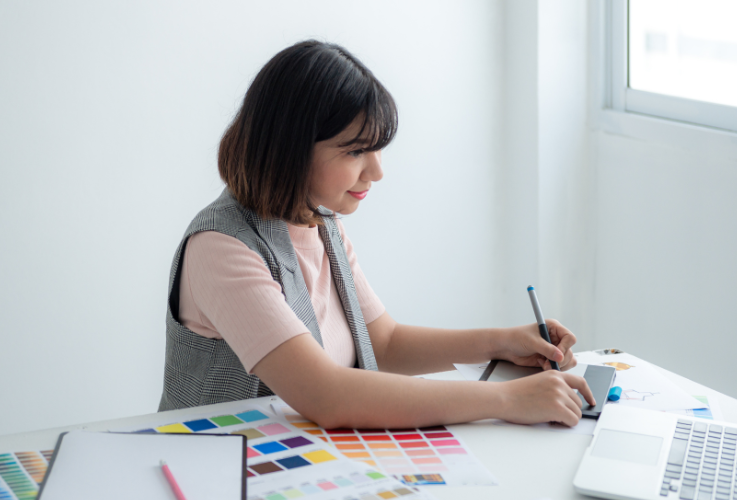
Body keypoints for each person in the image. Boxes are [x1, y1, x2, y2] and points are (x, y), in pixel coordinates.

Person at [159, 40, 594, 429]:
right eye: (355, 151)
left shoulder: (321, 223)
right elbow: (325, 395)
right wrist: (505, 398)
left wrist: (500, 342)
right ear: (288, 148)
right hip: (222, 469)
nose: (377, 171)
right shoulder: (221, 247)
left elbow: (383, 342)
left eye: (377, 148)